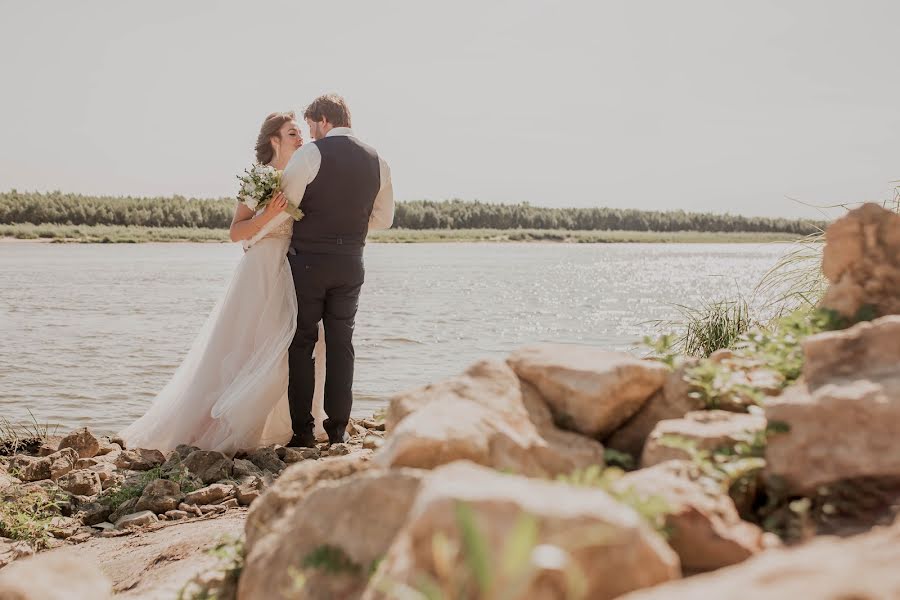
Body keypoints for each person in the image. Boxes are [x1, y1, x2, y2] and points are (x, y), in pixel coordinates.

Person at [119, 112, 326, 454]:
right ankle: (223, 424)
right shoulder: (258, 179)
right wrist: (271, 213)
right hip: (259, 270)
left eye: (300, 133)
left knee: (286, 341)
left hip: (289, 268)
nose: (300, 138)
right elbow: (236, 233)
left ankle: (281, 423)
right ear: (274, 139)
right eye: (293, 133)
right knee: (246, 344)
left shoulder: (297, 179)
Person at [281, 94, 393, 447]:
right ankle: (338, 430)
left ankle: (302, 432)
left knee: (302, 342)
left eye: (312, 125)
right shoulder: (379, 161)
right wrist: (350, 229)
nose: (311, 133)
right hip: (351, 263)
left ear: (324, 121)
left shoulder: (311, 154)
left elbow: (286, 205)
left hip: (309, 262)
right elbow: (384, 220)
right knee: (342, 343)